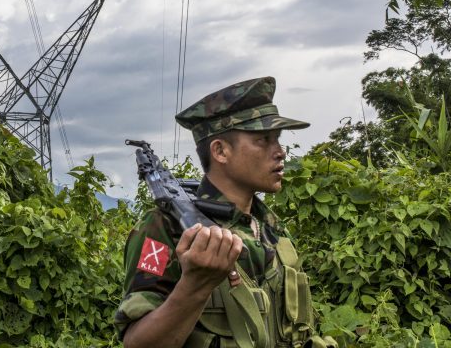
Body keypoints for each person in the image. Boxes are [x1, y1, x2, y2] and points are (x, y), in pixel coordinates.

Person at [114, 76, 337, 348]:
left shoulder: (272, 228)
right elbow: (137, 343)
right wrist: (195, 285)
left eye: (277, 140)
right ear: (220, 151)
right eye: (263, 140)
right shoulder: (166, 227)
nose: (280, 152)